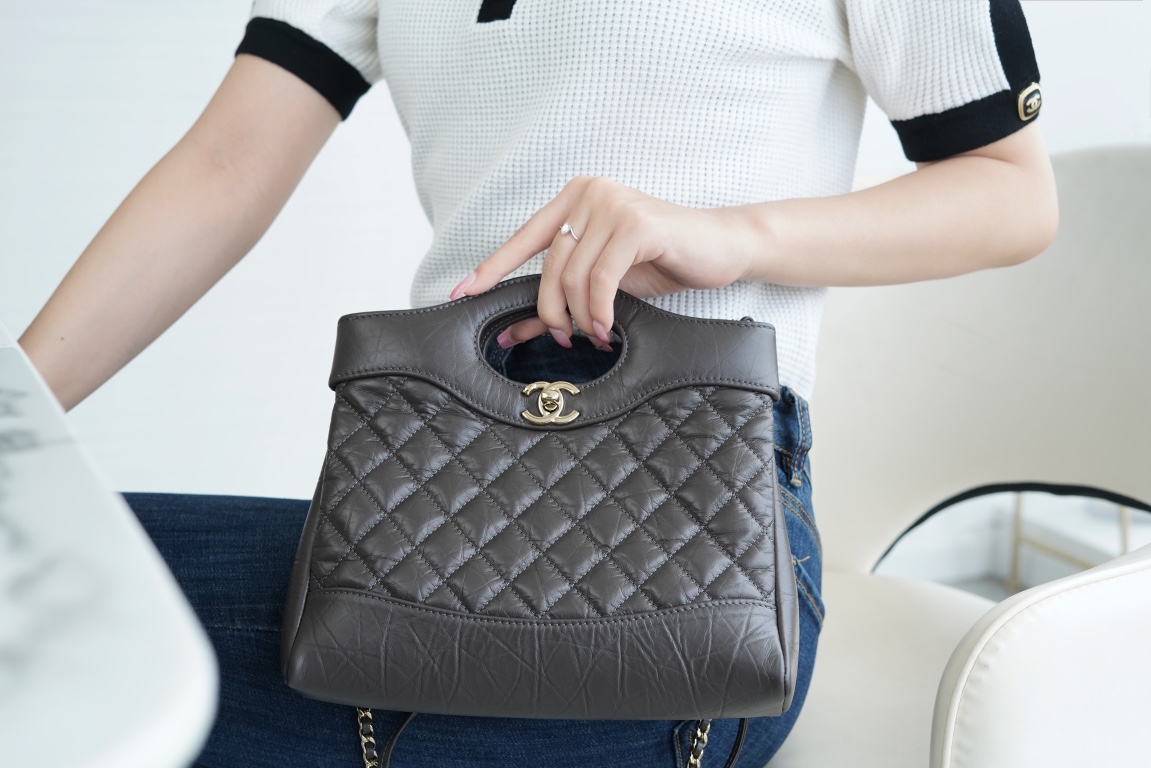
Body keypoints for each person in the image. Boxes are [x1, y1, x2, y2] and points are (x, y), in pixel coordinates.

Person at [18, 1, 1057, 766]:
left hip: (702, 542)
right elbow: (224, 167)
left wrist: (731, 234)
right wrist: (12, 414)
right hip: (438, 484)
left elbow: (1010, 192)